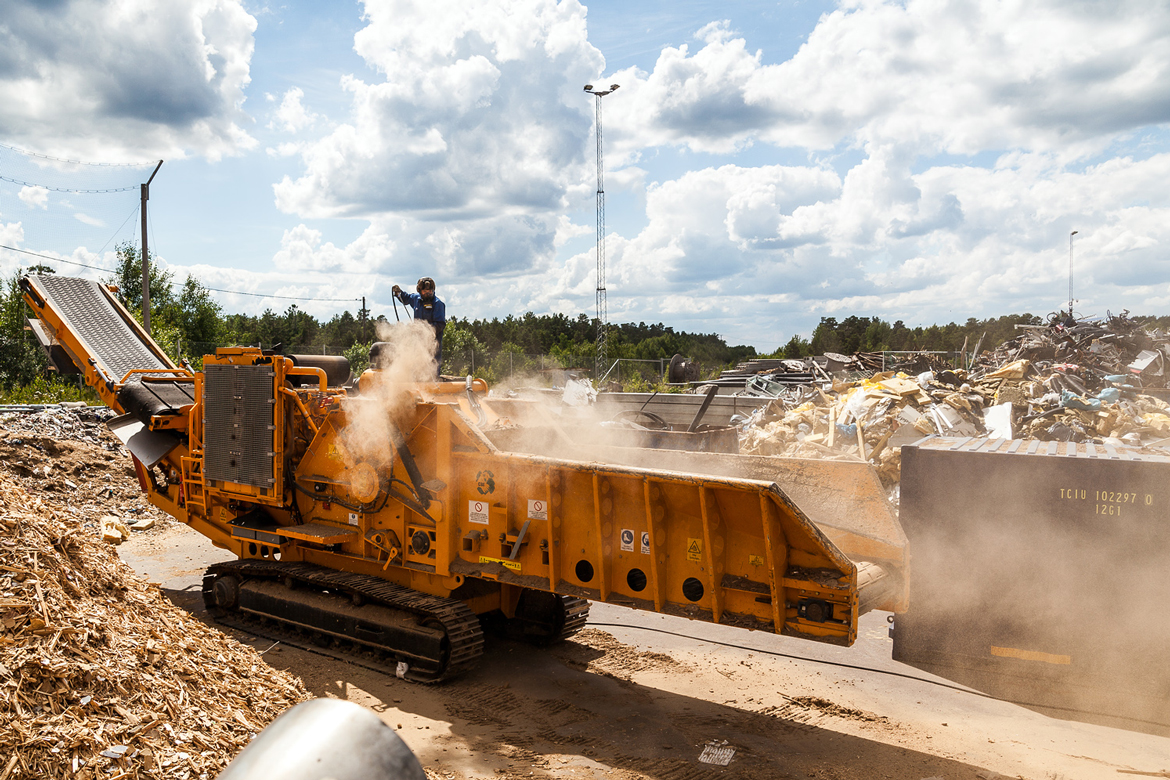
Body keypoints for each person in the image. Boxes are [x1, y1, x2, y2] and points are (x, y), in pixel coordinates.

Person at [392, 277, 446, 372]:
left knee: (432, 369)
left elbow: (440, 325)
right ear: (419, 291)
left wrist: (423, 329)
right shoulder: (416, 299)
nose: (428, 293)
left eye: (430, 291)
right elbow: (407, 298)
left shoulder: (438, 304)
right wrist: (399, 293)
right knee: (416, 368)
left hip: (433, 344)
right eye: (425, 291)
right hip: (417, 343)